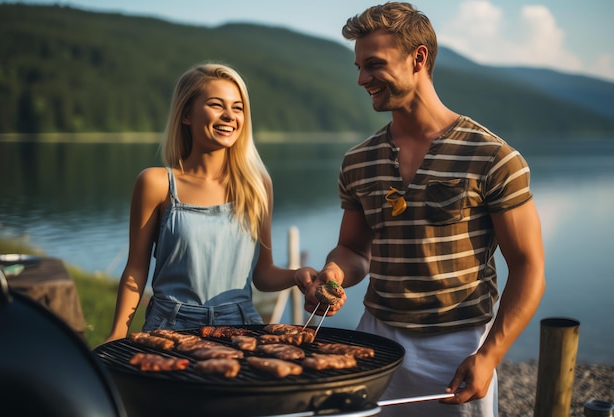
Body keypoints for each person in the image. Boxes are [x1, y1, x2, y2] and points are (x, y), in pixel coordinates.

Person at [294, 3, 546, 416]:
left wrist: (490, 356)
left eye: (374, 65)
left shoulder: (493, 157)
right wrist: (333, 276)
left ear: (419, 58)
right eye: (358, 67)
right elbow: (353, 250)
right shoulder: (358, 160)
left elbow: (529, 267)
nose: (362, 79)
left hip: (458, 348)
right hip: (374, 342)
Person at [105, 63, 310, 343]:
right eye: (216, 105)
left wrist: (299, 275)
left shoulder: (257, 184)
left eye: (238, 108)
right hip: (170, 325)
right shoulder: (156, 183)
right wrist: (118, 333)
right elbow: (136, 268)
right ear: (186, 114)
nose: (229, 116)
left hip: (242, 326)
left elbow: (263, 275)